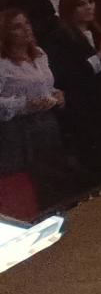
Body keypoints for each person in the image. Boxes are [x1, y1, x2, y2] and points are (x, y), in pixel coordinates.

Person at [45, 0, 101, 188]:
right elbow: (73, 75)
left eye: (91, 2)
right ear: (69, 9)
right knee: (99, 170)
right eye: (81, 4)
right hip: (82, 111)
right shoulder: (61, 37)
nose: (88, 7)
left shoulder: (94, 31)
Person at [0, 10, 66, 203]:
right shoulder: (3, 63)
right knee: (29, 184)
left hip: (47, 123)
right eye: (17, 26)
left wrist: (57, 94)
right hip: (20, 129)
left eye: (27, 23)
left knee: (53, 177)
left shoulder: (39, 54)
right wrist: (24, 104)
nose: (26, 29)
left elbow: (45, 86)